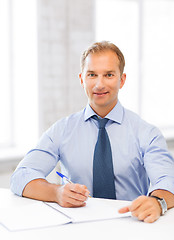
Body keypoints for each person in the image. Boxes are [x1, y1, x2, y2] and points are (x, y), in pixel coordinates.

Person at [11, 41, 174, 223]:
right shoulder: (62, 130)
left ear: (122, 80)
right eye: (92, 75)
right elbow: (21, 176)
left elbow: (168, 180)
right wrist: (56, 192)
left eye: (109, 75)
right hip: (79, 227)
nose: (99, 84)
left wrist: (157, 202)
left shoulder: (146, 133)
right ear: (82, 79)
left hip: (132, 223)